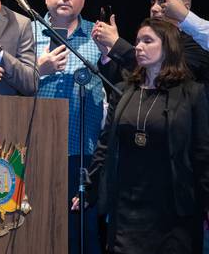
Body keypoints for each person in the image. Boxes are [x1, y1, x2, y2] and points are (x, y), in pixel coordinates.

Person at [74, 18, 209, 253]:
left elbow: (202, 152)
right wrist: (91, 187)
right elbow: (106, 144)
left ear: (168, 47)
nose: (138, 46)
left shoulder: (191, 93)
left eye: (148, 41)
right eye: (137, 41)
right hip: (127, 207)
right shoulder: (125, 90)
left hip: (173, 209)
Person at [32, 0, 105, 254]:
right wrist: (40, 68)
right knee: (36, 229)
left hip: (82, 152)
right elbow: (11, 82)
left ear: (83, 0)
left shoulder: (98, 36)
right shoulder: (26, 32)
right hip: (34, 149)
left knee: (80, 235)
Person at [92, 0, 209, 90]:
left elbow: (168, 72)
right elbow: (123, 82)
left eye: (163, 2)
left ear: (185, 8)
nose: (154, 8)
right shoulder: (144, 37)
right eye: (153, 3)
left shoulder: (197, 41)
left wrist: (116, 44)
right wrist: (107, 53)